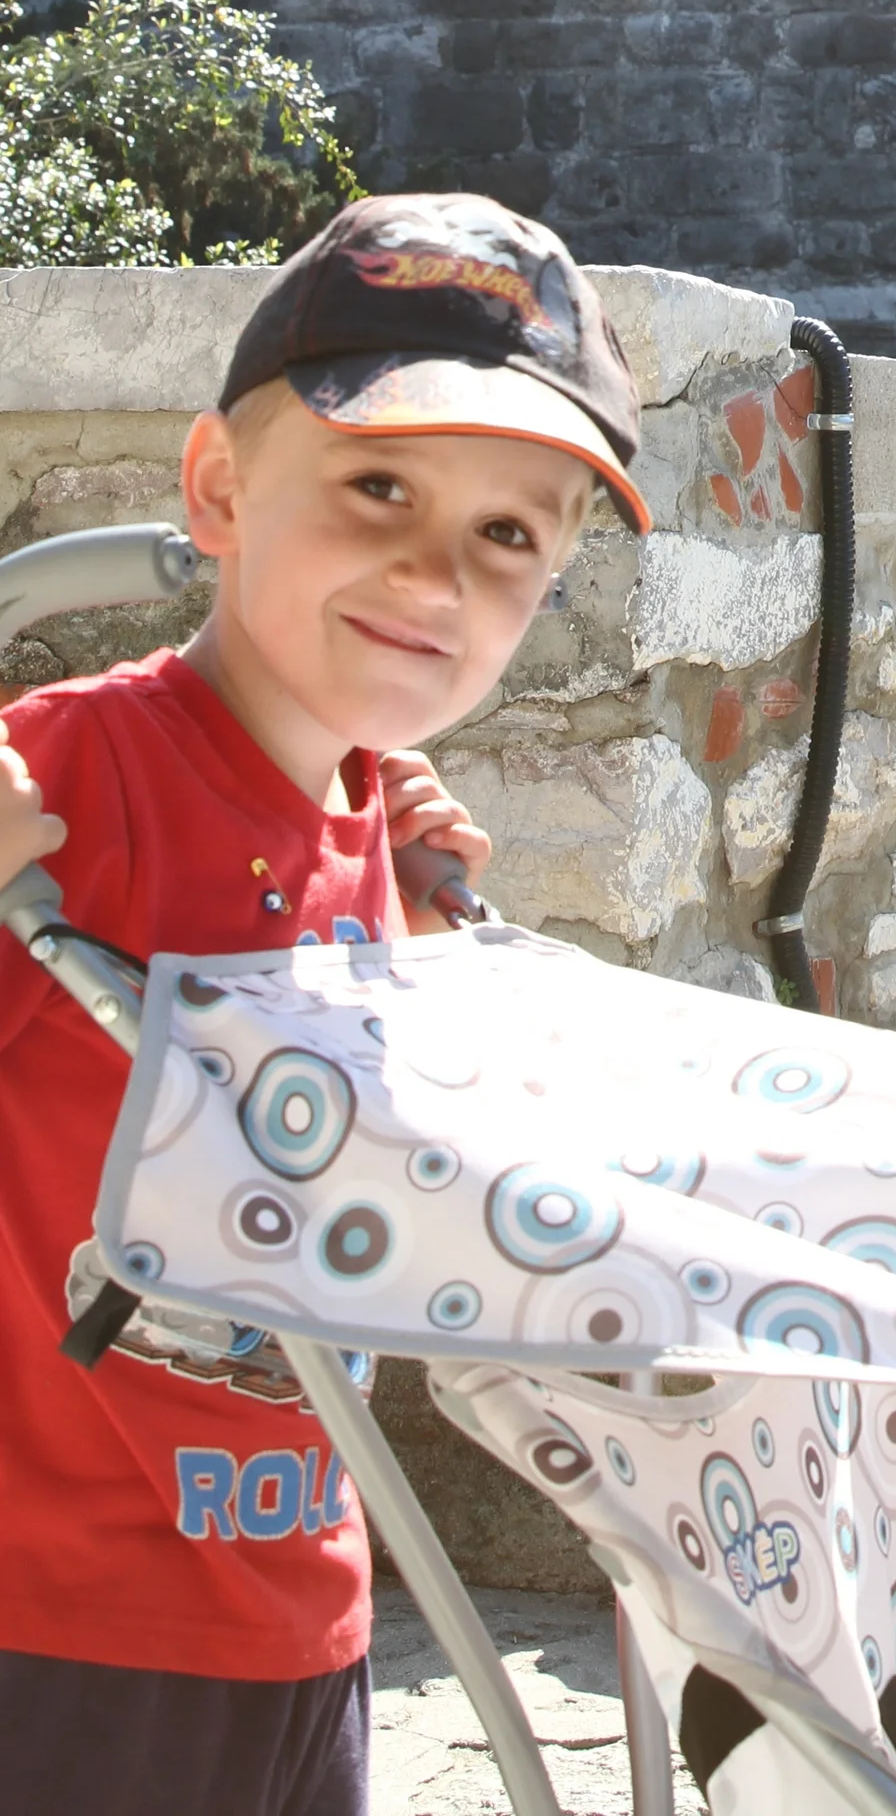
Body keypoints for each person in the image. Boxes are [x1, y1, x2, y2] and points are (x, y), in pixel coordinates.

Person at [0, 192, 649, 1816]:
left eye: (510, 536)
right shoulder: (72, 783)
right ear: (221, 488)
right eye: (378, 487)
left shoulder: (370, 821)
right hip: (61, 1632)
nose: (435, 571)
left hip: (304, 1599)